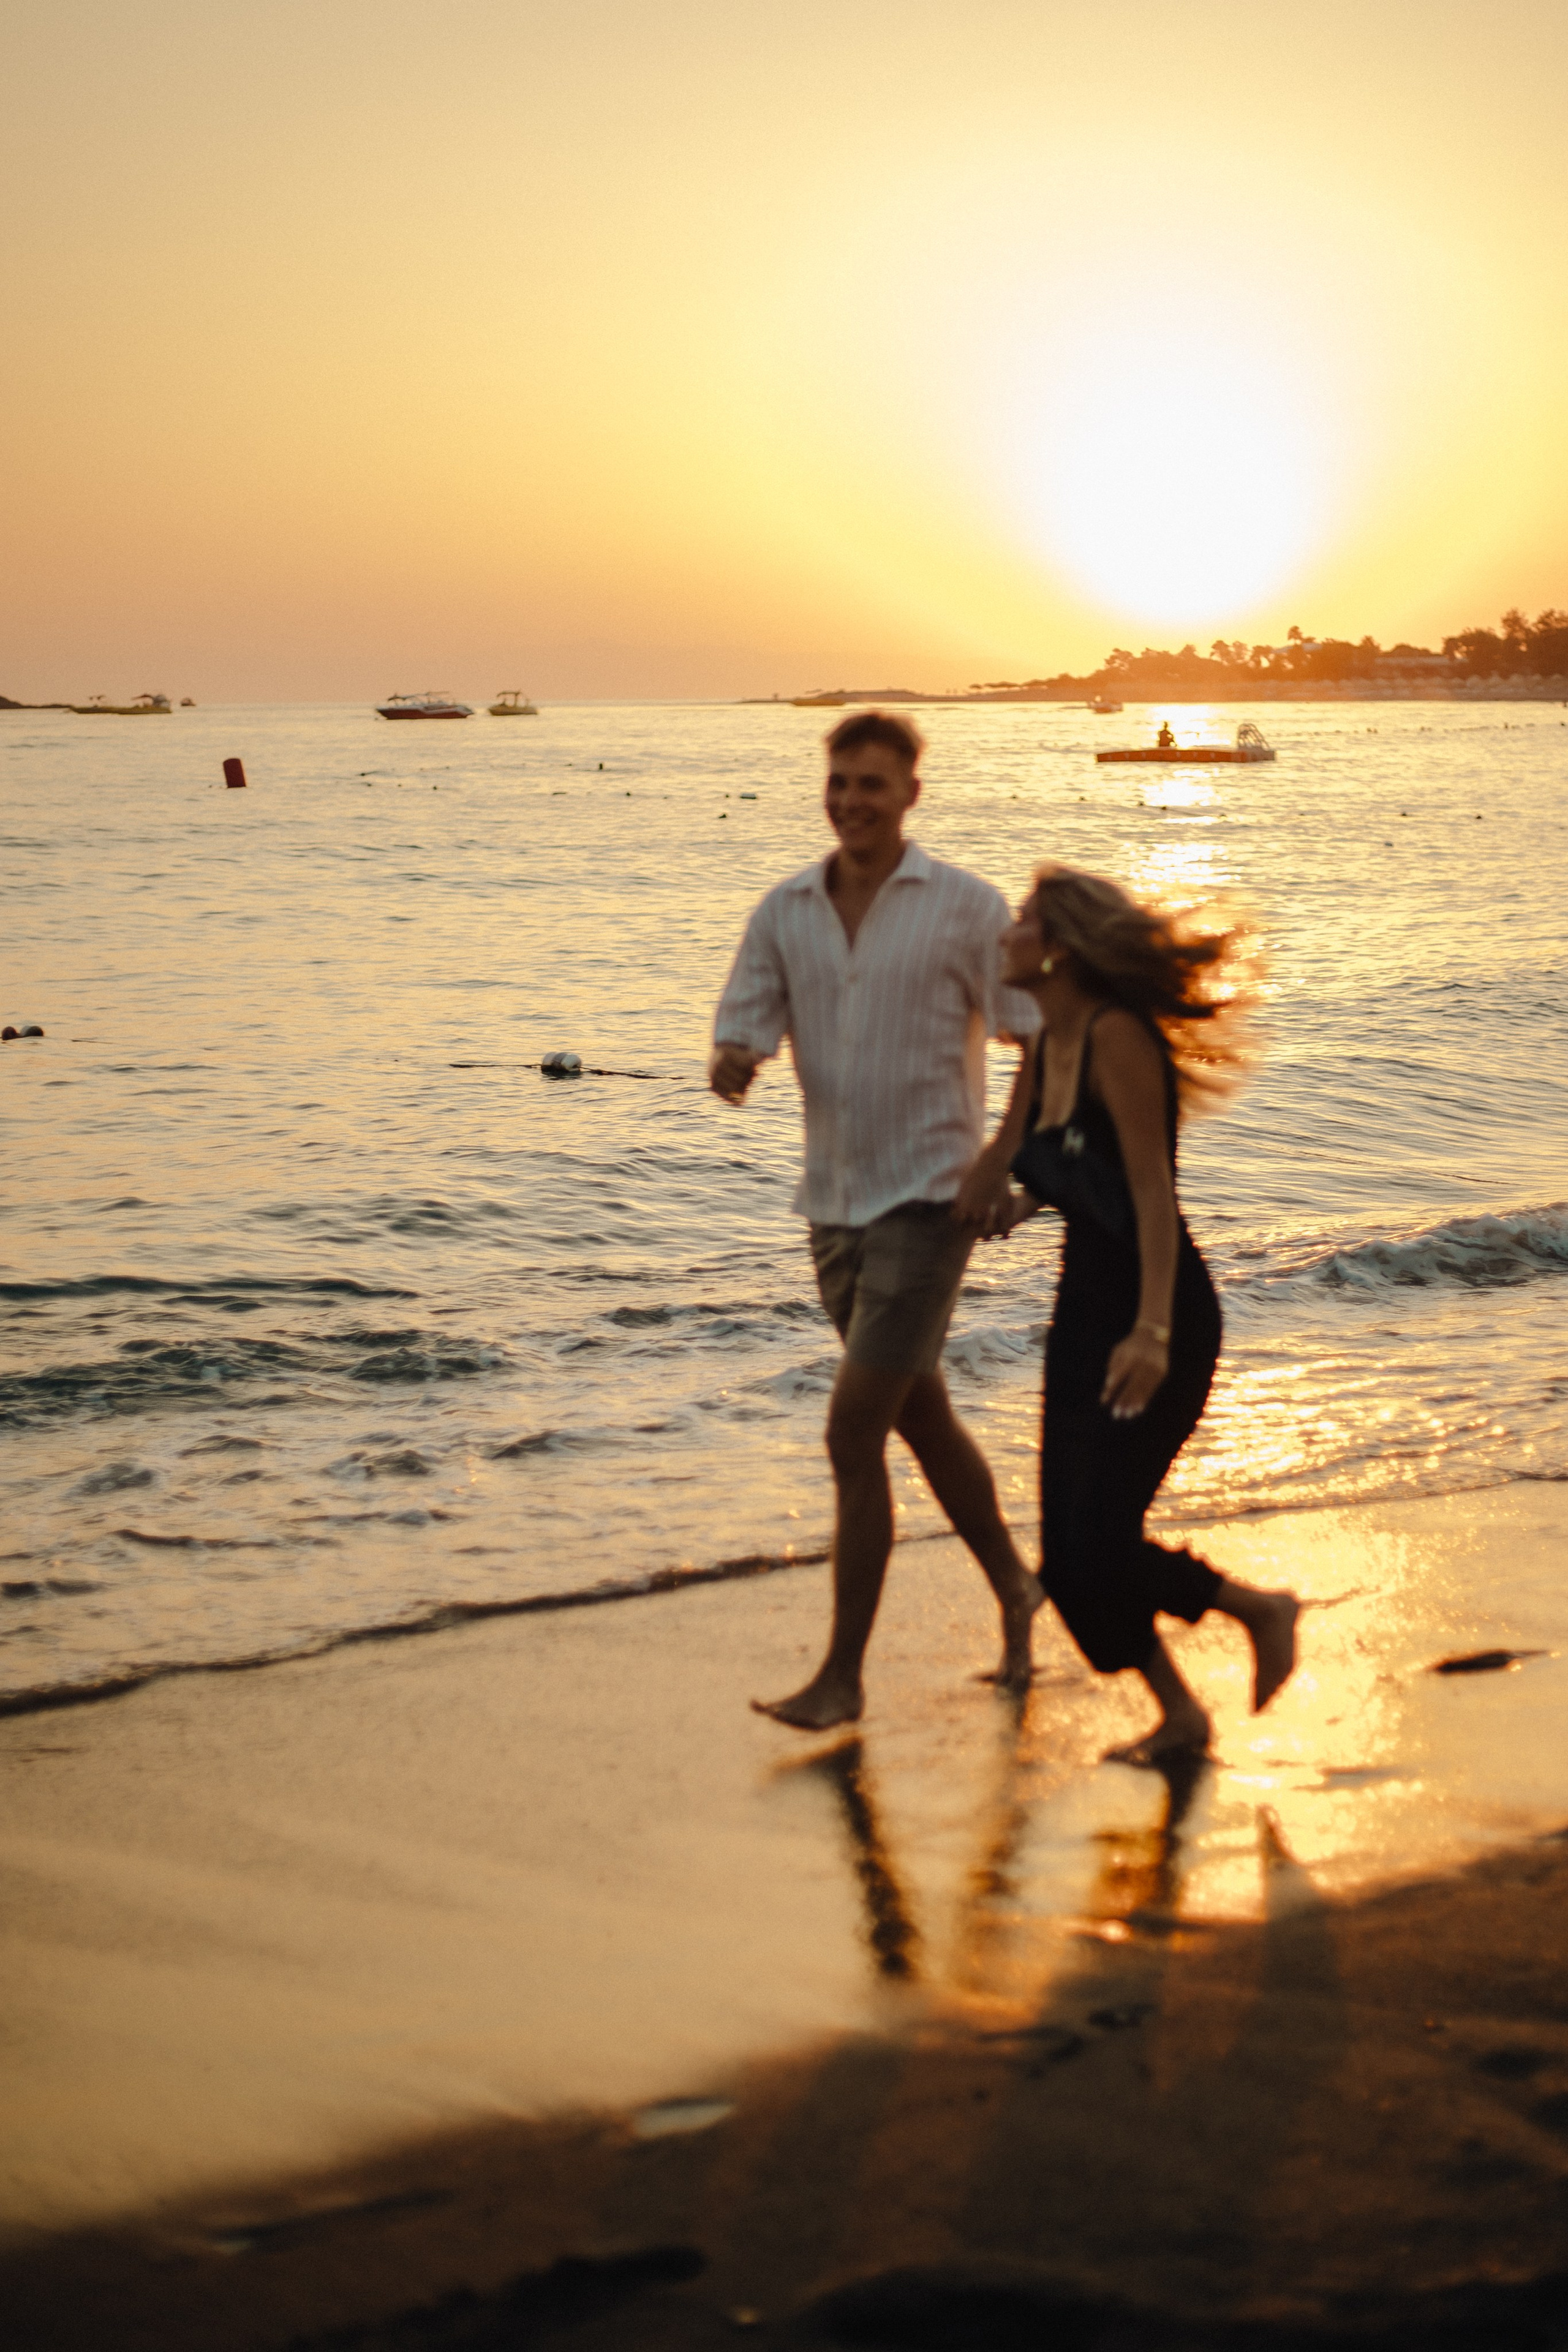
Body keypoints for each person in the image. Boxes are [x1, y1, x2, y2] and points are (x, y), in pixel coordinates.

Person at [710, 710, 1044, 1729]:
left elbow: (1037, 1039)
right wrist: (735, 1062)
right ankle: (1020, 1594)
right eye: (840, 783)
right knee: (920, 1415)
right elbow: (744, 1028)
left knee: (852, 1433)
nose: (853, 800)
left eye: (873, 784)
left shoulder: (966, 909)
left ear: (911, 794)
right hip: (833, 1206)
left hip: (931, 1201)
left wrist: (999, 1162)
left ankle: (844, 1678)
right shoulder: (786, 911)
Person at [956, 864, 1298, 1763]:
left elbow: (1151, 1194)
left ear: (1059, 947)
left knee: (1099, 1540)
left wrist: (1150, 1334)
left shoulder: (1117, 1039)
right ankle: (1180, 1715)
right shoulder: (1043, 1038)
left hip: (1161, 1315)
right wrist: (1009, 1202)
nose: (1006, 934)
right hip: (1081, 1317)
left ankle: (1258, 1609)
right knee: (1067, 1562)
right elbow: (1053, 1168)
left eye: (1022, 920)